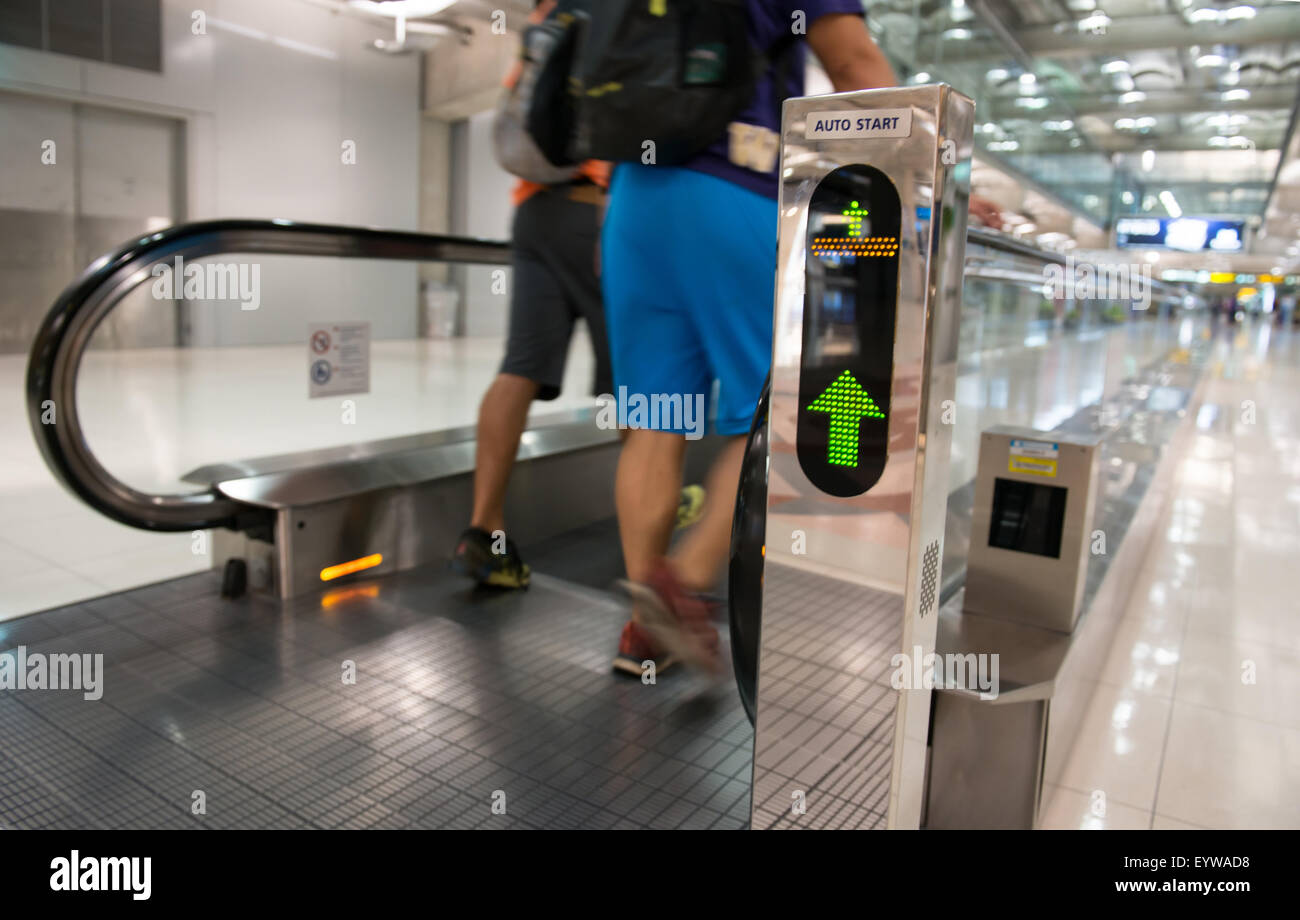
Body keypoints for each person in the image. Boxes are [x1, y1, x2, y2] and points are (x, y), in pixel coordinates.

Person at [602, 4, 998, 676]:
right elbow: (854, 64)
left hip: (635, 200)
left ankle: (646, 624)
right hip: (732, 185)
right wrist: (948, 173)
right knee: (779, 406)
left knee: (654, 418)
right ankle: (684, 581)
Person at [451, 0, 611, 590]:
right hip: (593, 209)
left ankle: (483, 532)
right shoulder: (612, 13)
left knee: (517, 368)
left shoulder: (545, 16)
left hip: (531, 212)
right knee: (638, 381)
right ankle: (662, 508)